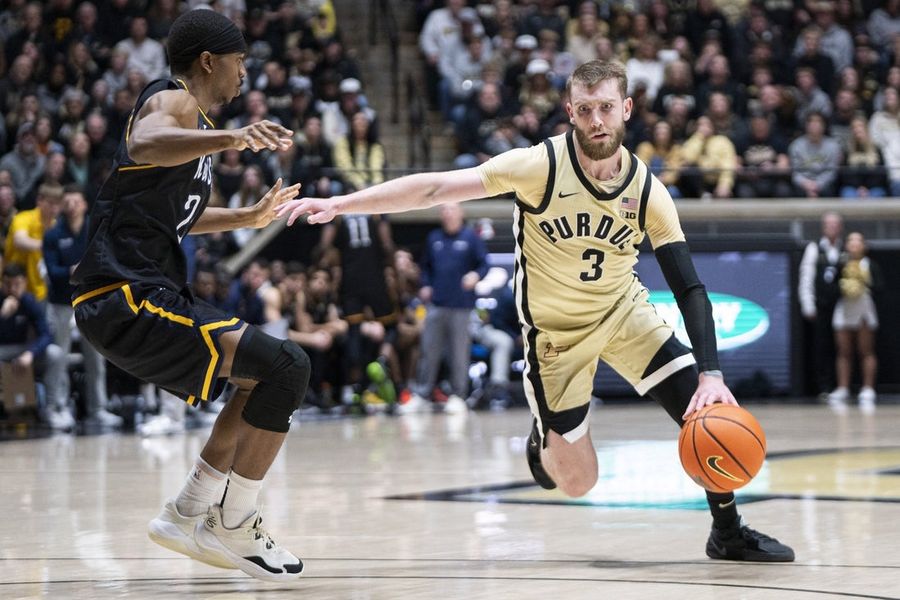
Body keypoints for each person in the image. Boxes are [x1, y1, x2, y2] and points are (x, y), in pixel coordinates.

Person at [278, 60, 794, 562]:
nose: (597, 120)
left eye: (607, 108)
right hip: (556, 337)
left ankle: (727, 531)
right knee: (578, 482)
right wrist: (343, 204)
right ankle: (541, 443)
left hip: (623, 313)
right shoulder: (539, 167)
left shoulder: (647, 190)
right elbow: (436, 187)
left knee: (707, 412)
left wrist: (710, 374)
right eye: (586, 109)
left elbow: (690, 288)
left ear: (627, 110)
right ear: (569, 111)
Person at [70, 10, 309, 582]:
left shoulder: (193, 125)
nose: (245, 73)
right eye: (240, 61)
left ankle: (191, 511)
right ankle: (235, 520)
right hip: (121, 292)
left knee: (262, 377)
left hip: (135, 293)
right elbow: (146, 142)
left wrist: (245, 217)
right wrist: (231, 137)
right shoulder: (172, 100)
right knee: (288, 364)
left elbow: (180, 215)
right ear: (209, 61)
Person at [43, 185, 121, 428]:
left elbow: (105, 262)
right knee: (60, 357)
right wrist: (70, 271)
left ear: (85, 205)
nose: (71, 205)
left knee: (96, 357)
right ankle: (58, 406)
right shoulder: (53, 235)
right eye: (67, 202)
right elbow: (52, 271)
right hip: (61, 304)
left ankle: (98, 408)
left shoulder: (95, 231)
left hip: (91, 302)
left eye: (76, 201)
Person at [0, 263, 68, 429]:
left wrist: (30, 353)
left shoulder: (29, 301)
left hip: (23, 350)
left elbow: (46, 334)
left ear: (24, 283)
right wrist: (2, 315)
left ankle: (51, 409)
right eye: (8, 284)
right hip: (2, 351)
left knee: (55, 354)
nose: (12, 289)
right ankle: (12, 411)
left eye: (17, 284)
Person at [827, 232, 881, 413]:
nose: (854, 244)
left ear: (864, 245)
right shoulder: (841, 263)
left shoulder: (870, 265)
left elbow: (880, 287)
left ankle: (868, 388)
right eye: (851, 241)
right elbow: (829, 286)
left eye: (858, 241)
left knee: (866, 350)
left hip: (864, 307)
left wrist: (862, 283)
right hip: (845, 307)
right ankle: (843, 388)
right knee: (844, 351)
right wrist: (844, 286)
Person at [798, 212, 843, 399]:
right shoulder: (814, 248)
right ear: (823, 227)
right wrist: (807, 303)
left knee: (841, 346)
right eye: (828, 225)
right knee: (821, 345)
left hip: (842, 307)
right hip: (821, 306)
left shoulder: (845, 248)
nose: (832, 228)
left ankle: (842, 385)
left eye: (835, 225)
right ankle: (823, 386)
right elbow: (806, 277)